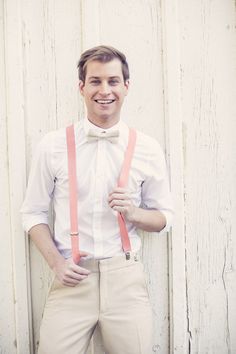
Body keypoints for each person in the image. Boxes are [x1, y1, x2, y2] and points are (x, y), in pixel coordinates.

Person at [21, 45, 173, 354]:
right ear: (81, 87)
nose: (105, 90)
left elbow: (164, 218)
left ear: (126, 87)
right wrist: (56, 264)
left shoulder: (147, 147)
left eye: (113, 81)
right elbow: (32, 213)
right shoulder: (52, 146)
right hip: (72, 280)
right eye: (95, 81)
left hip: (125, 280)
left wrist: (134, 213)